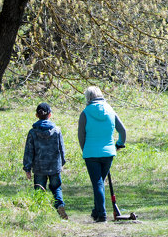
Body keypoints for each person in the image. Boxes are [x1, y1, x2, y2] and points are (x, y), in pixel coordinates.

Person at [78, 86, 126, 222]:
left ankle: (102, 214)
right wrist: (118, 144)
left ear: (88, 97)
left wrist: (85, 149)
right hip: (108, 153)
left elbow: (81, 135)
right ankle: (96, 211)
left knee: (98, 183)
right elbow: (123, 131)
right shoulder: (110, 110)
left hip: (91, 153)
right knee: (99, 182)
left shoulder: (85, 113)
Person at [23, 102, 68, 219]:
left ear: (36, 115)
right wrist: (62, 163)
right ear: (50, 115)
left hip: (39, 167)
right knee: (56, 188)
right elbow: (61, 148)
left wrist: (27, 168)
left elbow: (29, 151)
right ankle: (60, 206)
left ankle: (40, 213)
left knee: (39, 190)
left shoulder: (32, 132)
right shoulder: (57, 130)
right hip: (54, 166)